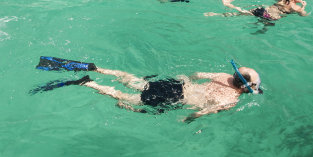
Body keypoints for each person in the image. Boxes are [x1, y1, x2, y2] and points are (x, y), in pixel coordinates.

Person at [77, 64, 261, 120]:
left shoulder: (223, 75)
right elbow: (205, 111)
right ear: (245, 86)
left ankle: (99, 69)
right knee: (127, 98)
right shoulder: (232, 100)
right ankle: (91, 84)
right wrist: (188, 118)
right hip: (176, 98)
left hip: (178, 85)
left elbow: (197, 73)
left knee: (137, 82)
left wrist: (186, 80)